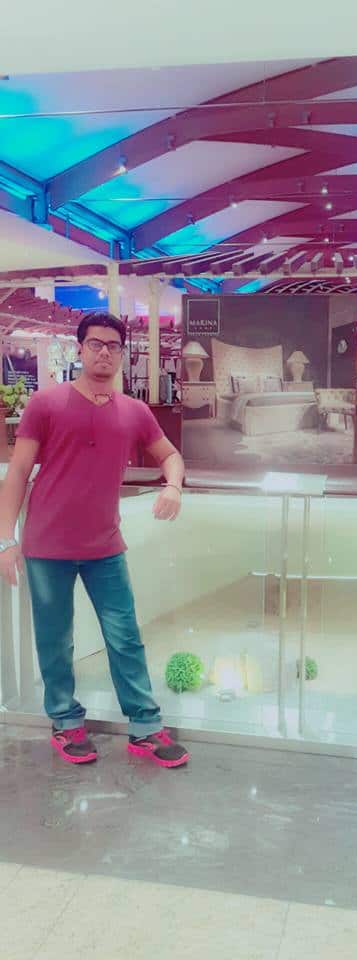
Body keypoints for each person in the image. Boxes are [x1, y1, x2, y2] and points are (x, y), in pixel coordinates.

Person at [0, 312, 190, 769]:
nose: (104, 352)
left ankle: (145, 726)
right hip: (46, 546)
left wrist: (173, 486)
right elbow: (19, 472)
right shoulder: (46, 404)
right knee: (55, 639)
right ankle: (66, 722)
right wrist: (6, 538)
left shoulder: (134, 411)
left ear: (122, 353)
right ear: (80, 349)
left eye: (113, 345)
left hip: (105, 546)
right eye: (95, 344)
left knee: (125, 637)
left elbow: (170, 455)